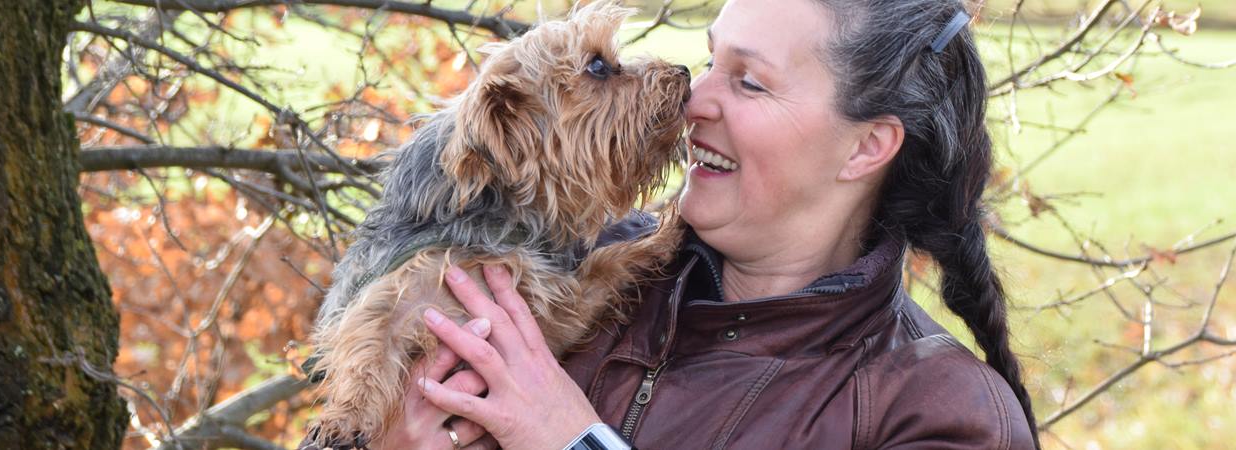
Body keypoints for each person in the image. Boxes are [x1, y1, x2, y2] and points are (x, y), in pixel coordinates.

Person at [377, 0, 1037, 448]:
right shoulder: (571, 266)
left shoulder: (938, 413)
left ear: (867, 146)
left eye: (749, 82)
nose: (694, 100)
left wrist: (575, 438)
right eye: (713, 61)